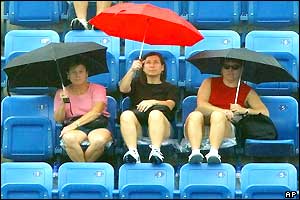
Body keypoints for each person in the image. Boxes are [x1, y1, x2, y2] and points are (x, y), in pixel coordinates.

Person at [184, 58, 269, 164]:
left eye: (235, 67)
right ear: (221, 69)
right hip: (201, 124)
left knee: (217, 116)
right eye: (226, 67)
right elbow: (201, 106)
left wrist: (244, 110)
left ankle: (214, 153)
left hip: (226, 127)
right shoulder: (209, 82)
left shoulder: (247, 91)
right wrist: (223, 111)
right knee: (195, 115)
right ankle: (195, 152)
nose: (230, 70)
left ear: (241, 69)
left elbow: (264, 112)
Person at [119, 52, 179, 164]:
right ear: (143, 66)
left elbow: (171, 104)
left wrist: (153, 102)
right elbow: (123, 89)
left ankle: (156, 151)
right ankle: (133, 152)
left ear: (162, 68)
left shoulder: (171, 88)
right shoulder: (136, 84)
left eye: (156, 62)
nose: (152, 65)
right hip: (139, 128)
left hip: (163, 127)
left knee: (155, 114)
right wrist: (132, 70)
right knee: (126, 114)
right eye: (148, 63)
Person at [54, 60, 112, 162]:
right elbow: (59, 119)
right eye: (74, 72)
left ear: (86, 74)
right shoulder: (61, 92)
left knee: (99, 141)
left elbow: (96, 112)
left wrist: (72, 126)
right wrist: (63, 103)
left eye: (81, 72)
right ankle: (85, 171)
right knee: (69, 139)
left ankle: (81, 171)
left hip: (97, 124)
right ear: (68, 75)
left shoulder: (98, 89)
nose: (77, 75)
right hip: (74, 127)